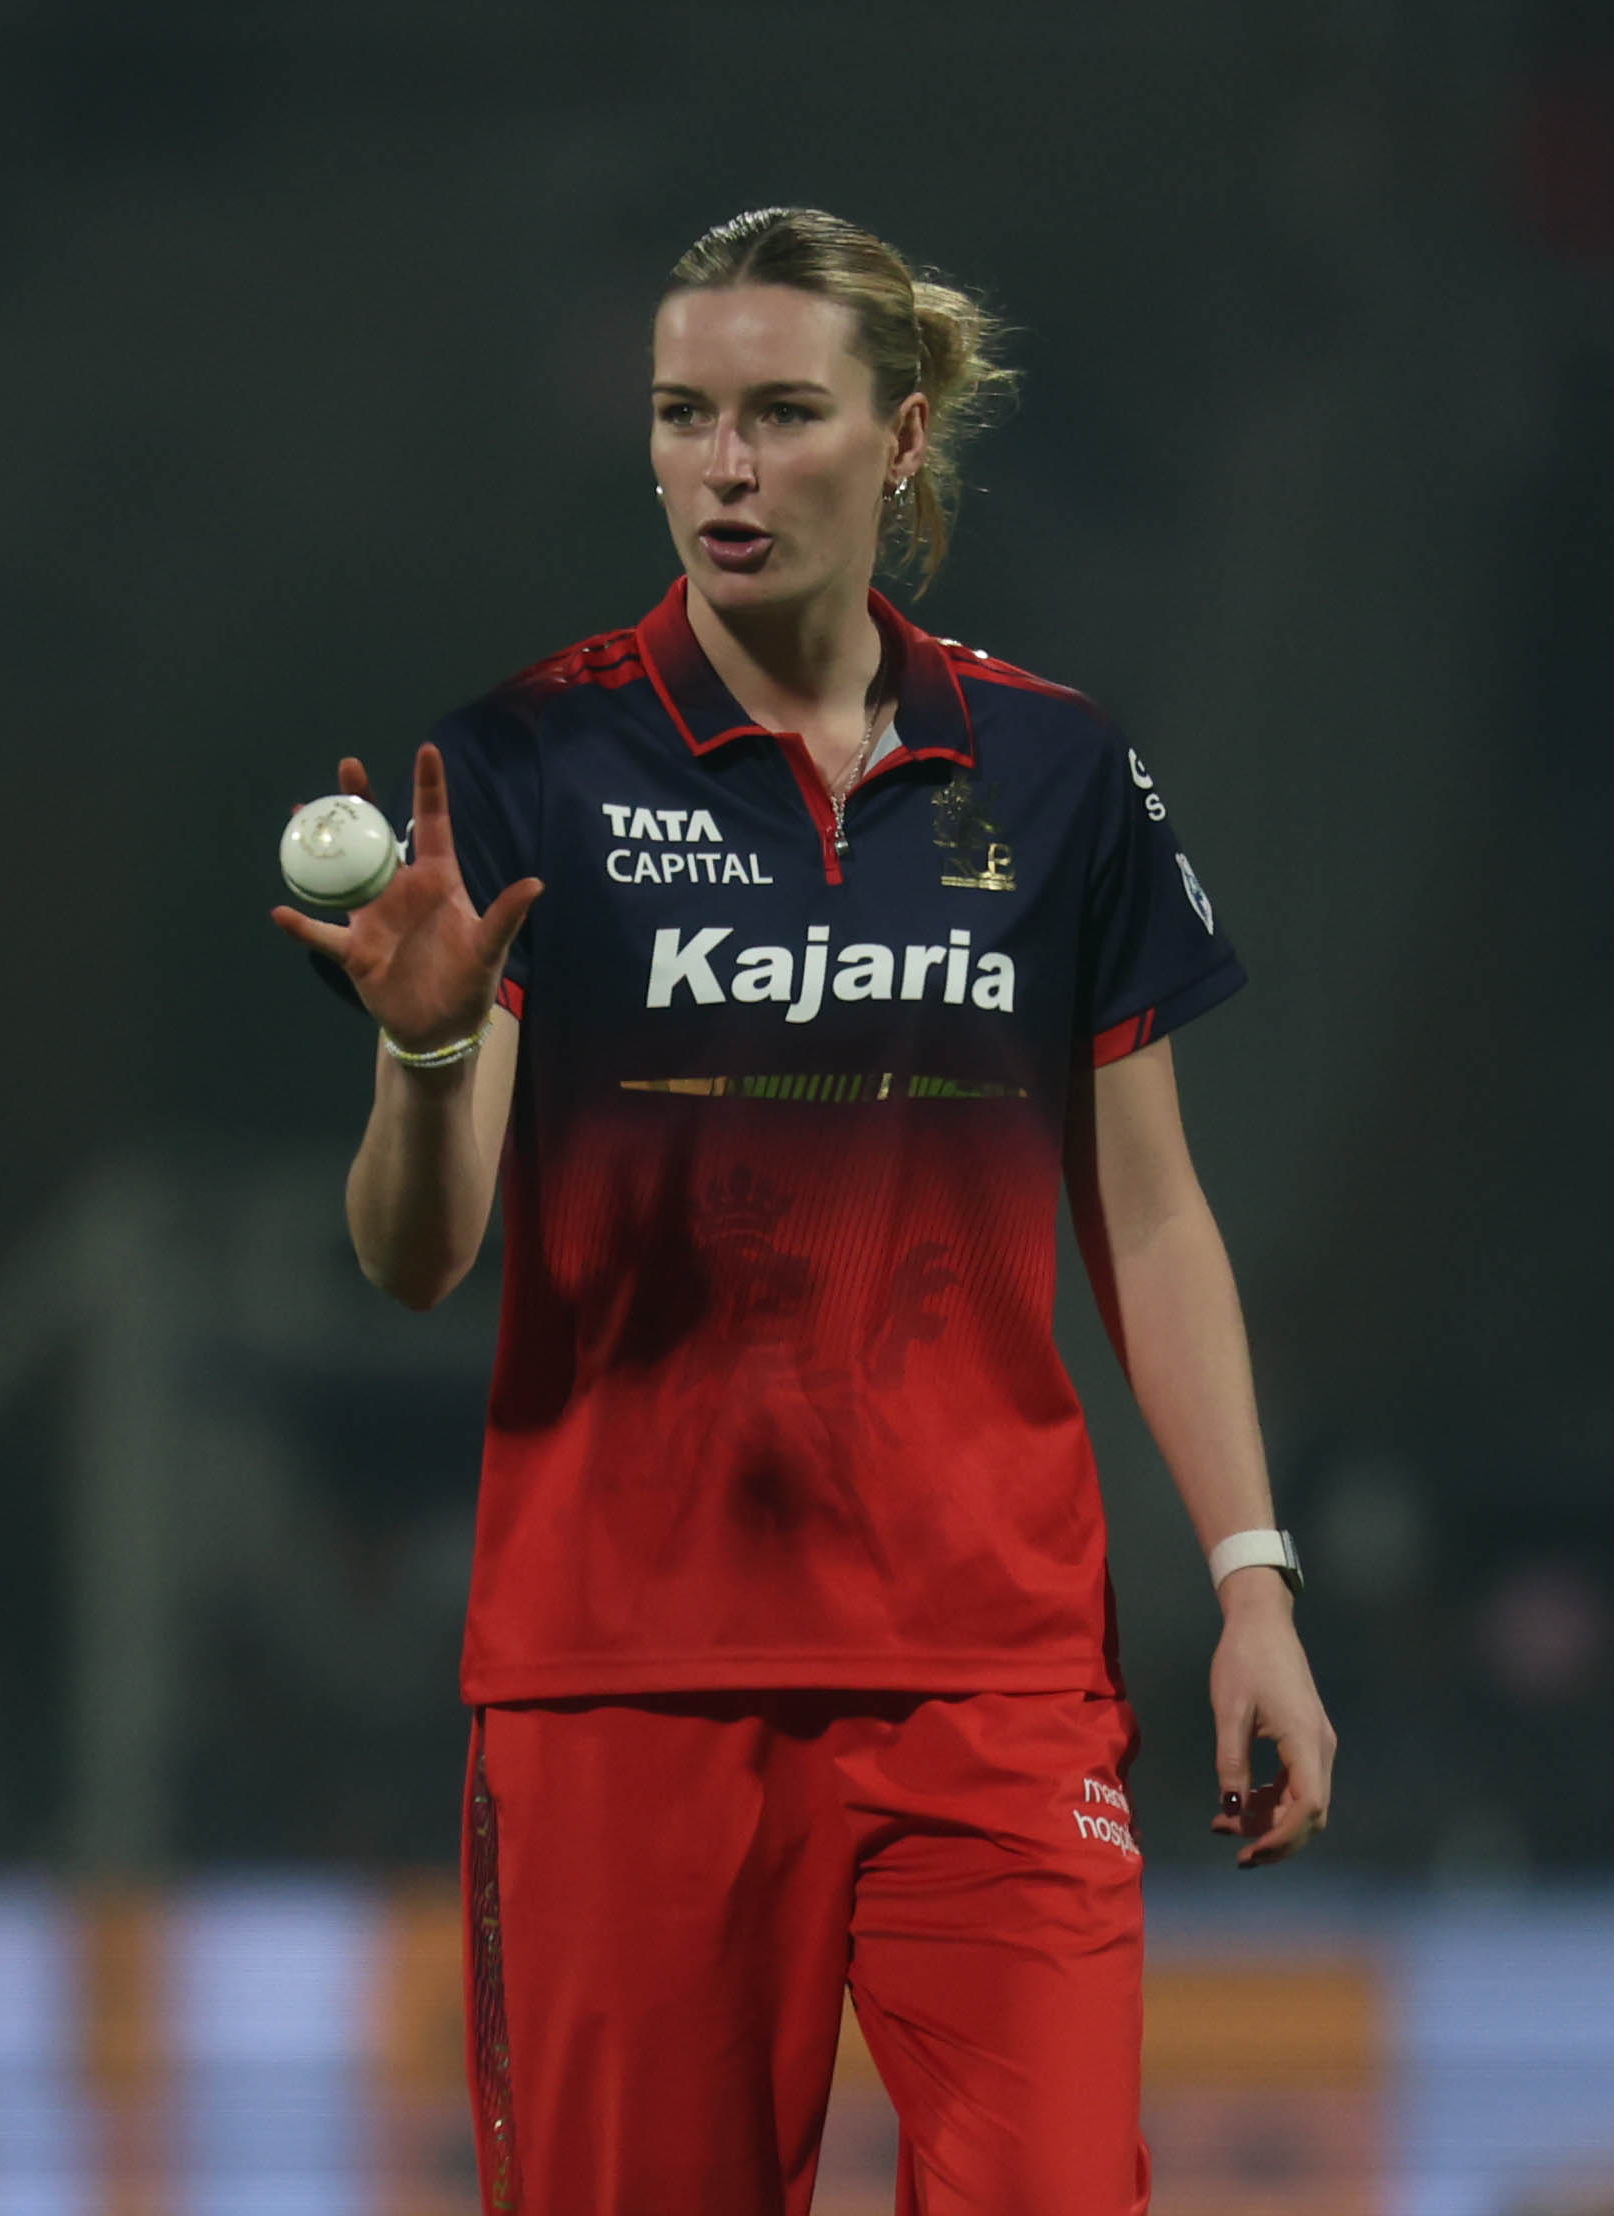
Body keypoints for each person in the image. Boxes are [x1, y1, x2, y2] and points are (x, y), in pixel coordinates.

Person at [270, 208, 1334, 2212]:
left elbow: (1151, 1212)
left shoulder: (1053, 767)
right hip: (620, 1676)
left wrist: (1251, 1580)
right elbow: (414, 1254)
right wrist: (418, 1058)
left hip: (990, 1670)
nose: (723, 467)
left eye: (779, 413)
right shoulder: (520, 767)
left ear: (901, 439)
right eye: (682, 417)